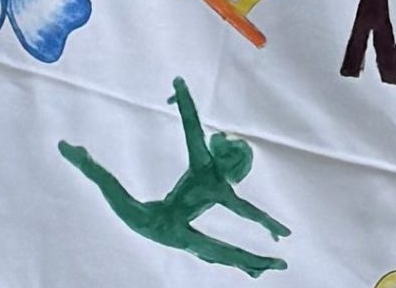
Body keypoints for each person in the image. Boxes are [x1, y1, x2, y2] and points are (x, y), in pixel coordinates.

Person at [59, 78, 288, 275]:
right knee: (108, 184)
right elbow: (192, 128)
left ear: (236, 166)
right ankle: (83, 160)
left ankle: (256, 264)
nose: (224, 157)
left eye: (230, 156)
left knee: (214, 249)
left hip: (172, 229)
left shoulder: (220, 188)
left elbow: (244, 209)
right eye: (225, 152)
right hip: (151, 215)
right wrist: (182, 93)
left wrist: (268, 222)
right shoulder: (202, 164)